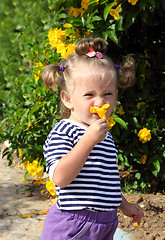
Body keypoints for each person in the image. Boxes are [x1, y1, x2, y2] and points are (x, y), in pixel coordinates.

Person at [41, 37, 144, 240]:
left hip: (105, 224)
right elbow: (60, 178)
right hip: (74, 225)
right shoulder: (65, 131)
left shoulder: (104, 135)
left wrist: (124, 205)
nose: (100, 101)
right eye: (89, 94)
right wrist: (88, 141)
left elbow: (104, 180)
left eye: (107, 93)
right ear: (68, 99)